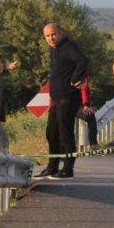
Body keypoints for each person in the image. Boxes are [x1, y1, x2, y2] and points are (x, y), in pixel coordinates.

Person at [36, 23, 92, 179]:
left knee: (65, 133)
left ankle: (68, 168)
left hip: (67, 97)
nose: (50, 38)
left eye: (53, 34)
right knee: (51, 132)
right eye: (47, 36)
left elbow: (83, 60)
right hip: (56, 98)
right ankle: (52, 166)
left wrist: (75, 78)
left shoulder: (68, 46)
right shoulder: (54, 50)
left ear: (60, 33)